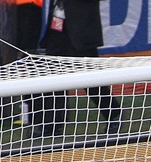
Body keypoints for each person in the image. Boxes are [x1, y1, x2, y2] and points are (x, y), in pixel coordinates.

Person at [32, 0, 122, 137]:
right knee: (54, 78)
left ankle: (113, 114)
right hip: (57, 28)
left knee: (91, 81)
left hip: (81, 29)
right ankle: (52, 125)